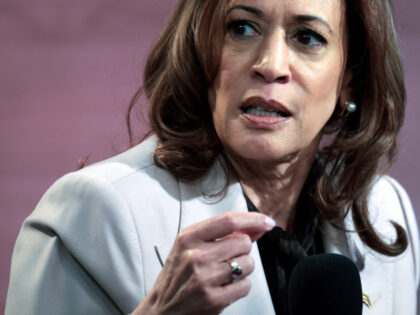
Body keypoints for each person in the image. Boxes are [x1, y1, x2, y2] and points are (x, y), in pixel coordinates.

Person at [5, 0, 420, 314]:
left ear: (350, 81)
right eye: (242, 28)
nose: (270, 65)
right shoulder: (94, 211)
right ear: (201, 55)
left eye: (307, 37)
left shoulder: (384, 210)